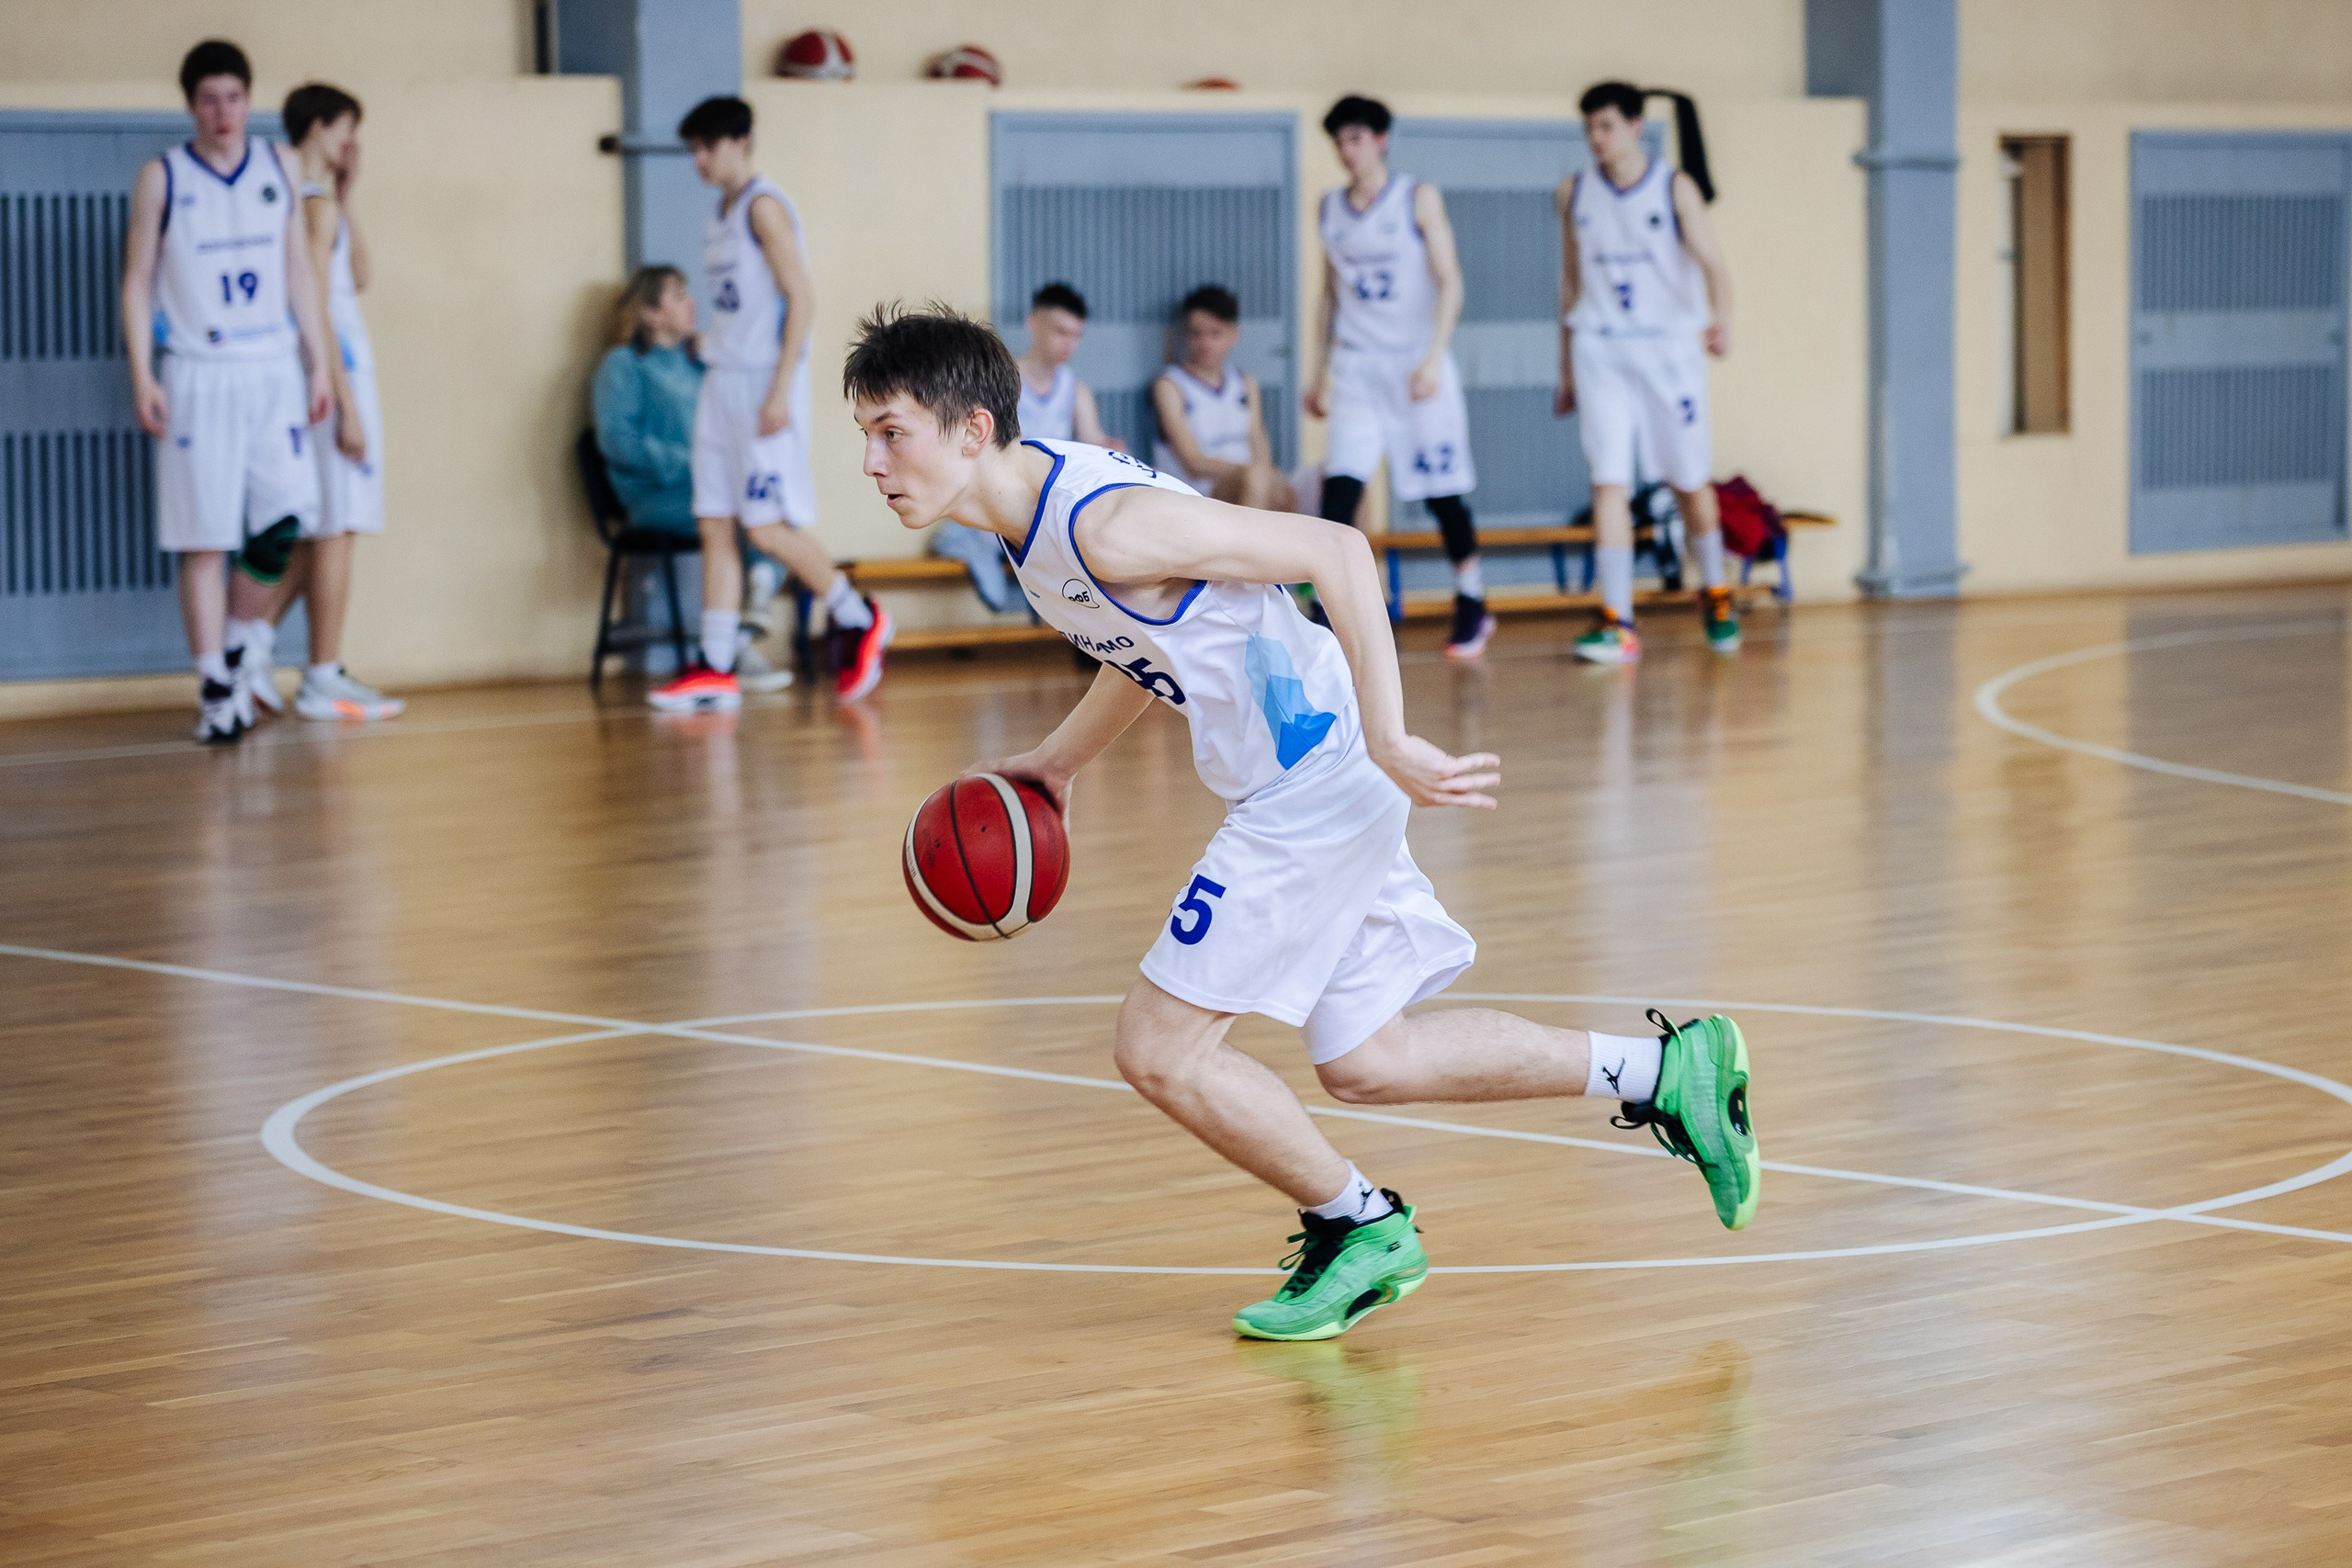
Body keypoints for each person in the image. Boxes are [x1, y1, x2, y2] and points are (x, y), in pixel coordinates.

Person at [847, 305, 1759, 1341]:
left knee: (1159, 1047)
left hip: (1317, 783)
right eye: (866, 436)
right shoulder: (1028, 525)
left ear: (971, 429)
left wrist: (1388, 734)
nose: (874, 461)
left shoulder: (1103, 524)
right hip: (1297, 777)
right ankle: (1666, 1072)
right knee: (1372, 1059)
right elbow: (1137, 644)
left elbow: (1338, 551)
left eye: (891, 431)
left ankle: (1359, 1227)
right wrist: (1058, 764)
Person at [120, 39, 333, 744]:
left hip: (271, 367)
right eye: (209, 99)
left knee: (286, 520)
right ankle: (215, 685)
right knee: (205, 536)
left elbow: (300, 271)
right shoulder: (163, 178)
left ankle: (241, 643)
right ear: (191, 106)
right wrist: (141, 370)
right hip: (197, 370)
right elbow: (137, 280)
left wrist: (319, 362)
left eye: (235, 97)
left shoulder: (279, 164)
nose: (224, 112)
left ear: (249, 99)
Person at [650, 95, 888, 712]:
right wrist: (710, 342)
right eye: (694, 148)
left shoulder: (762, 206)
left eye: (710, 145)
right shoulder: (719, 215)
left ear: (741, 142)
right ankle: (717, 663)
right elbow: (742, 310)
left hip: (762, 385)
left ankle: (857, 614)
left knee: (766, 527)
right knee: (714, 520)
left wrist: (781, 386)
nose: (700, 158)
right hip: (724, 379)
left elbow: (802, 300)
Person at [232, 82, 403, 723]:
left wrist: (349, 193)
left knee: (320, 534)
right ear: (315, 130)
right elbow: (319, 317)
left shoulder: (324, 201)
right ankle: (322, 672)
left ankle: (252, 648)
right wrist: (347, 403)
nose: (352, 144)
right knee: (336, 530)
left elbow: (358, 277)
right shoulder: (306, 203)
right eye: (344, 130)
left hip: (338, 377)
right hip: (335, 380)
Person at [1555, 82, 1739, 664]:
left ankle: (1714, 590)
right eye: (1589, 128)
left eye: (1606, 127)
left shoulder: (1674, 187)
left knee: (1690, 483)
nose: (1596, 139)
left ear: (1637, 126)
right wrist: (1564, 367)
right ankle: (1618, 620)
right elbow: (1571, 283)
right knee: (1608, 481)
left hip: (1668, 353)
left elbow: (1717, 268)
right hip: (1602, 350)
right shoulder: (1573, 193)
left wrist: (1722, 321)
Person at [1306, 96, 1494, 661]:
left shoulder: (1417, 197)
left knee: (1443, 494)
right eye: (1339, 140)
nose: (1347, 150)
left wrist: (1433, 358)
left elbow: (1451, 283)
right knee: (1341, 490)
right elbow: (1328, 297)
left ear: (1381, 139)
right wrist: (1319, 374)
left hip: (1414, 363)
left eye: (1356, 138)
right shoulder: (1329, 208)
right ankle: (1327, 612)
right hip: (1359, 366)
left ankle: (1472, 599)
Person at [593, 265, 791, 691]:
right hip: (655, 498)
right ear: (649, 312)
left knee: (768, 502)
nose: (692, 302)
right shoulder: (624, 365)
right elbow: (617, 440)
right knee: (740, 511)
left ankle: (741, 628)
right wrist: (693, 464)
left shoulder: (698, 365)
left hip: (706, 488)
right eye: (679, 295)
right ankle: (738, 640)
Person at [1151, 285, 1296, 511]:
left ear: (1233, 334)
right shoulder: (1170, 385)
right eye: (1196, 334)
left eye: (1215, 334)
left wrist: (1267, 476)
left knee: (1286, 489)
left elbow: (1257, 440)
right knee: (1259, 479)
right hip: (1200, 489)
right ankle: (1247, 546)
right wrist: (1255, 472)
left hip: (1248, 480)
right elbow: (1194, 462)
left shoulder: (1245, 383)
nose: (1205, 343)